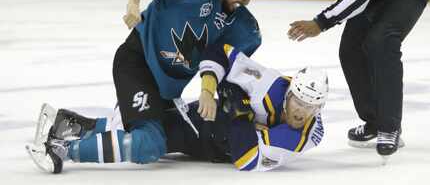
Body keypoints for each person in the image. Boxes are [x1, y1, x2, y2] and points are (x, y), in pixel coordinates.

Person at [25, 0, 272, 173]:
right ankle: (62, 150)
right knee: (149, 143)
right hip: (138, 62)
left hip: (165, 91)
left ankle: (69, 124)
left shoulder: (239, 23)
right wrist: (134, 2)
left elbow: (224, 60)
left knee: (152, 132)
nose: (248, 0)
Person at [26, 44, 327, 172]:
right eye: (298, 101)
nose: (301, 111)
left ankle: (71, 131)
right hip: (205, 120)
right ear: (289, 93)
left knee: (152, 137)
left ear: (319, 109)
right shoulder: (271, 84)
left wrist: (241, 111)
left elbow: (246, 158)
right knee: (148, 138)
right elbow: (221, 52)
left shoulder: (302, 136)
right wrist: (212, 86)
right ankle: (67, 144)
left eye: (310, 107)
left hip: (213, 140)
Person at [275, 0, 430, 157]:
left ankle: (389, 127)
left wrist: (320, 22)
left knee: (381, 41)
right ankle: (374, 122)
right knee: (350, 50)